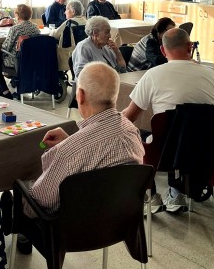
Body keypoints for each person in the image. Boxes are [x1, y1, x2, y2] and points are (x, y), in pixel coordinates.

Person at [123, 27, 214, 212]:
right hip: (204, 151)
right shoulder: (211, 76)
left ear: (163, 50)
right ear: (190, 46)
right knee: (180, 130)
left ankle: (151, 196)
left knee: (138, 134)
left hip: (164, 154)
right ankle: (176, 192)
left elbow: (129, 117)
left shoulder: (153, 75)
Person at [28, 62, 144, 214]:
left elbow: (41, 201)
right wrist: (71, 140)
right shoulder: (132, 132)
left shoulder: (67, 153)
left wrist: (70, 145)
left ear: (80, 95)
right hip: (121, 219)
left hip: (74, 224)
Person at [0, 4, 40, 98]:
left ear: (17, 15)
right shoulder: (36, 28)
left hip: (17, 61)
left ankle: (5, 92)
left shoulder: (15, 29)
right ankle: (9, 88)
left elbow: (6, 47)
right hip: (33, 61)